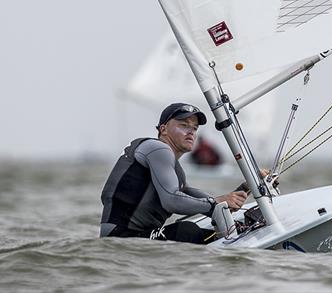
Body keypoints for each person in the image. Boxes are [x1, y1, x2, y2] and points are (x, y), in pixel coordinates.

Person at [99, 102, 247, 244]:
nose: (191, 132)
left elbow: (206, 202)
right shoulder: (157, 149)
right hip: (120, 238)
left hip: (139, 236)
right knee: (187, 231)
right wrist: (215, 204)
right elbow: (172, 200)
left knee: (215, 231)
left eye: (194, 128)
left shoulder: (175, 170)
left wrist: (246, 188)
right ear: (163, 129)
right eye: (184, 125)